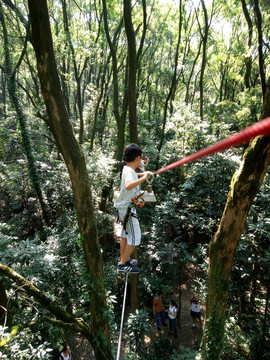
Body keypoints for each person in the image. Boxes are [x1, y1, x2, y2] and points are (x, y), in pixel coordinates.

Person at [114, 143, 153, 273]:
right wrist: (143, 178)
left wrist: (143, 174)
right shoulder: (130, 172)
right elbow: (129, 185)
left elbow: (132, 177)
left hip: (124, 208)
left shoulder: (127, 169)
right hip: (127, 210)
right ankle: (123, 264)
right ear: (137, 158)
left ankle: (123, 260)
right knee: (136, 237)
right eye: (141, 158)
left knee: (125, 235)